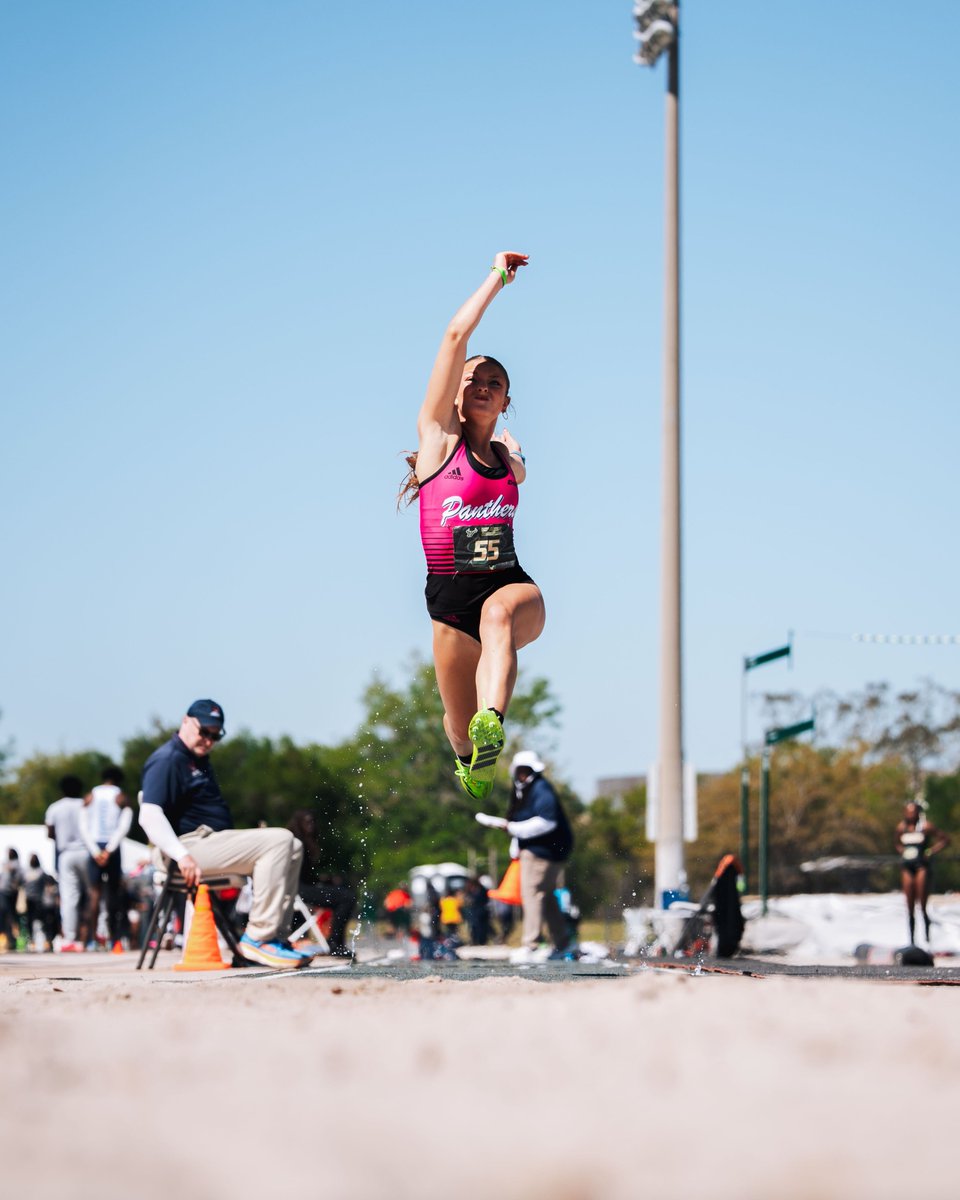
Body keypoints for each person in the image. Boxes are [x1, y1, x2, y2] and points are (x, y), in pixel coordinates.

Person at [400, 252, 544, 801]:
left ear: (507, 401)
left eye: (495, 382)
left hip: (507, 582)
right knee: (455, 729)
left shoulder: (508, 457)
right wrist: (497, 278)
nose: (482, 385)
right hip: (448, 605)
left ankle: (493, 721)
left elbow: (520, 470)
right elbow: (455, 332)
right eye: (473, 379)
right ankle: (471, 754)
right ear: (454, 393)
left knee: (499, 614)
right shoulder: (437, 442)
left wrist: (518, 460)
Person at [138, 699, 309, 970]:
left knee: (294, 845)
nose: (208, 740)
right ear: (185, 721)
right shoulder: (169, 759)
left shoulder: (198, 759)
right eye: (203, 731)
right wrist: (182, 856)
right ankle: (258, 937)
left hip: (208, 841)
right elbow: (148, 815)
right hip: (185, 848)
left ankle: (275, 937)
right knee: (281, 839)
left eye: (215, 735)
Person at [475, 750, 574, 963]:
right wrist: (515, 839)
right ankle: (563, 942)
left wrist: (512, 828)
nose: (523, 775)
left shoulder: (540, 789)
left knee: (532, 893)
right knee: (545, 896)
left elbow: (547, 821)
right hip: (542, 850)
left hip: (544, 851)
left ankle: (531, 945)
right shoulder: (526, 790)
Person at [286, 810, 357, 958]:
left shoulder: (306, 842)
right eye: (306, 822)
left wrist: (327, 880)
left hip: (304, 887)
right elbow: (298, 876)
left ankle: (335, 942)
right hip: (298, 890)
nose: (310, 825)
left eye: (312, 821)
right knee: (347, 897)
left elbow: (309, 877)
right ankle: (335, 944)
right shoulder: (296, 842)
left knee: (345, 893)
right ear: (298, 824)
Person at [80, 765, 133, 950]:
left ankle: (92, 939)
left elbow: (83, 825)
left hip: (94, 845)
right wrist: (109, 850)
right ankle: (113, 938)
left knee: (94, 894)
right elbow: (124, 825)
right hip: (112, 846)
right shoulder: (120, 796)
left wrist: (95, 851)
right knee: (113, 893)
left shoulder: (90, 796)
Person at [45, 774, 90, 952]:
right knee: (92, 895)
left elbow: (49, 833)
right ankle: (97, 935)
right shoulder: (85, 806)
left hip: (66, 854)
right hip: (87, 852)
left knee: (70, 897)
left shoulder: (55, 808)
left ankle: (71, 938)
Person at [895, 798, 949, 945]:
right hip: (907, 866)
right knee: (909, 905)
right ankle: (911, 940)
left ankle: (927, 937)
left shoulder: (925, 826)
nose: (910, 814)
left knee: (922, 905)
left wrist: (930, 851)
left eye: (913, 812)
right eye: (908, 812)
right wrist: (903, 852)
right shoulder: (902, 827)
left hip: (921, 866)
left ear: (918, 812)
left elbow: (945, 840)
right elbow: (896, 843)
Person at [0, 849, 23, 951]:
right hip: (4, 892)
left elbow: (17, 875)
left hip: (10, 893)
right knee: (6, 915)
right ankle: (8, 938)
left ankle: (11, 939)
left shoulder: (15, 864)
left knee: (9, 915)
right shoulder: (9, 864)